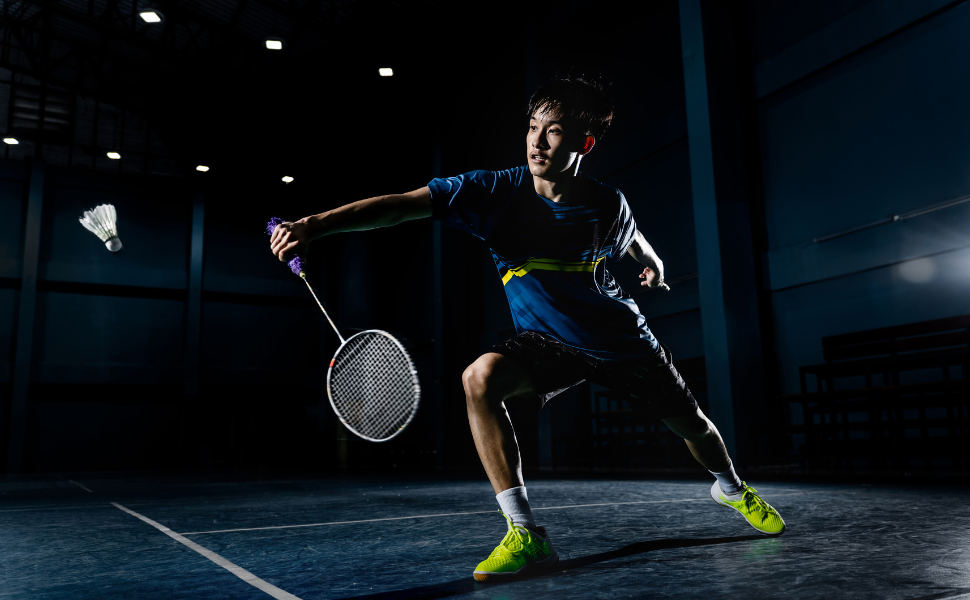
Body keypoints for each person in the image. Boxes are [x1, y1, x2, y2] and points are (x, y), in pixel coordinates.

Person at [269, 74, 786, 582]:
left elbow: (632, 235)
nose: (537, 141)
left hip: (620, 341)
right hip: (548, 342)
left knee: (694, 425)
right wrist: (312, 226)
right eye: (534, 126)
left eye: (555, 130)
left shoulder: (608, 201)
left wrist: (652, 262)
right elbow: (398, 209)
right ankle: (526, 535)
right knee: (480, 379)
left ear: (583, 142)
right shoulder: (492, 192)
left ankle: (732, 487)